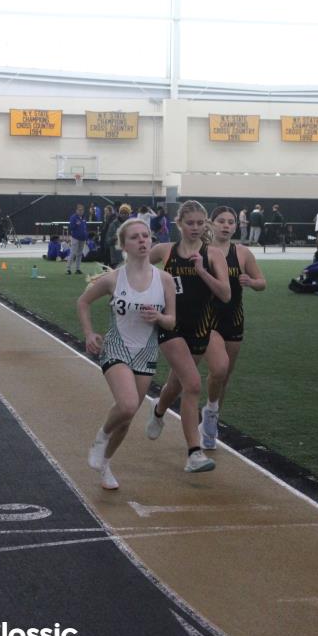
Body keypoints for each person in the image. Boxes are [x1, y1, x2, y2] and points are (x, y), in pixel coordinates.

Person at [78, 219, 177, 490]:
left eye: (146, 235)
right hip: (116, 347)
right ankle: (101, 437)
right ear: (123, 245)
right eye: (135, 237)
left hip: (146, 352)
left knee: (127, 417)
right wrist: (89, 333)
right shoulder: (113, 279)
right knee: (128, 404)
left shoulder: (165, 280)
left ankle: (105, 464)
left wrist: (159, 317)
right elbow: (83, 302)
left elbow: (171, 322)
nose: (143, 240)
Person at [145, 200, 231, 473]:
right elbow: (135, 266)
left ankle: (159, 410)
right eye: (189, 223)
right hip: (170, 325)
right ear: (179, 224)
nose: (195, 228)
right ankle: (194, 453)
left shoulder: (212, 254)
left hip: (201, 328)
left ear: (205, 224)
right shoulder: (165, 251)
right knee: (192, 384)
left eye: (199, 223)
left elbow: (225, 294)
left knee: (176, 384)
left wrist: (202, 271)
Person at [201, 206, 267, 449]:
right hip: (207, 319)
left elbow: (262, 283)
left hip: (233, 318)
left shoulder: (242, 253)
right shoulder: (200, 250)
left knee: (225, 375)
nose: (226, 225)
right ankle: (209, 414)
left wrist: (251, 281)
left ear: (236, 226)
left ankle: (212, 416)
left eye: (230, 222)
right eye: (221, 221)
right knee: (219, 369)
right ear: (211, 223)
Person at [67, 203, 88, 275]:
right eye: (79, 210)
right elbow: (71, 227)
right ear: (76, 210)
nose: (81, 211)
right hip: (75, 238)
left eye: (82, 210)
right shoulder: (73, 217)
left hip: (82, 238)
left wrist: (86, 237)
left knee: (79, 254)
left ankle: (77, 269)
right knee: (73, 253)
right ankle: (68, 269)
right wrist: (76, 224)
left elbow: (85, 228)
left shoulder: (84, 218)